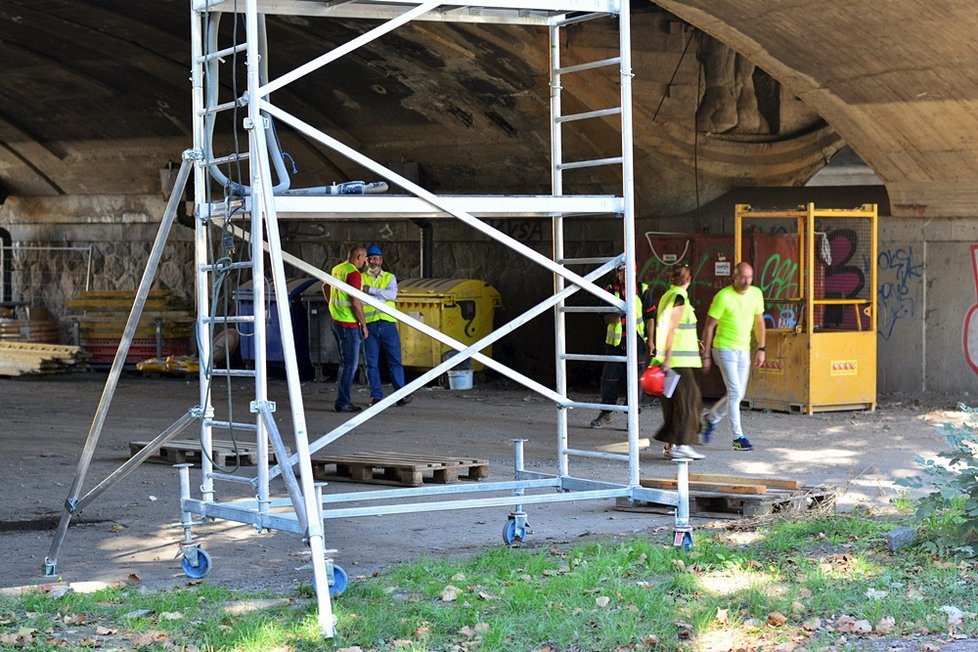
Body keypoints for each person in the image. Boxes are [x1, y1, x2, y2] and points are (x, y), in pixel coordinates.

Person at [700, 262, 766, 451]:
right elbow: (709, 326)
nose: (747, 281)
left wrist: (762, 348)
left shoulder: (756, 294)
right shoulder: (723, 297)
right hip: (723, 348)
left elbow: (759, 322)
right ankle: (738, 437)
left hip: (743, 349)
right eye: (743, 277)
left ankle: (710, 419)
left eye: (750, 277)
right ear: (734, 277)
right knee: (736, 392)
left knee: (737, 394)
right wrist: (705, 355)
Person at [590, 263, 657, 429]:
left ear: (634, 273)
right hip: (615, 343)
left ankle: (632, 417)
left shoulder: (642, 289)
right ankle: (607, 413)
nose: (624, 275)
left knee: (635, 380)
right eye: (621, 272)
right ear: (617, 273)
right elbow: (604, 318)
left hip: (637, 342)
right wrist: (620, 311)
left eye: (628, 272)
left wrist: (651, 341)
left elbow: (650, 317)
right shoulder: (610, 290)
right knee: (610, 379)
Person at [653, 265, 705, 460]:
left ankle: (671, 446)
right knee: (689, 401)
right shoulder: (679, 298)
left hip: (672, 359)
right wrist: (668, 358)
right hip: (678, 361)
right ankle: (683, 444)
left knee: (674, 404)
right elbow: (673, 329)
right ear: (689, 279)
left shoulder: (668, 295)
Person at [362, 244, 412, 407]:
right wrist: (380, 295)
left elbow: (393, 295)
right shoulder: (362, 278)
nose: (373, 261)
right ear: (366, 260)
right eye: (370, 259)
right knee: (371, 363)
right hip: (369, 325)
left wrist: (371, 291)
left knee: (395, 361)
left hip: (388, 324)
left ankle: (401, 395)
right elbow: (362, 299)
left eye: (375, 258)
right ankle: (376, 396)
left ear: (381, 261)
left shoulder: (389, 277)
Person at [327, 244, 369, 413]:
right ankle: (343, 402)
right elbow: (355, 302)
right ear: (359, 257)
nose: (365, 262)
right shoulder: (353, 273)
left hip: (336, 322)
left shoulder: (337, 269)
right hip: (349, 325)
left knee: (344, 364)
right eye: (365, 259)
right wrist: (364, 325)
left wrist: (332, 308)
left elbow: (325, 287)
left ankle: (343, 399)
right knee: (349, 366)